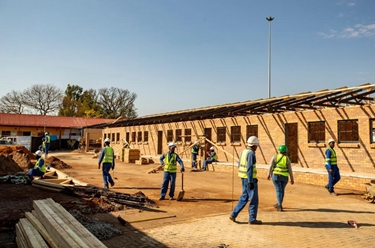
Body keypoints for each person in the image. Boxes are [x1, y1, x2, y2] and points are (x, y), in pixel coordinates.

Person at [229, 136, 262, 225]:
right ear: (254, 145)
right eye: (256, 146)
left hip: (243, 178)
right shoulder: (251, 153)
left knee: (244, 197)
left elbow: (239, 164)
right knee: (253, 199)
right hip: (249, 179)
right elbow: (250, 168)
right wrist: (251, 181)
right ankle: (252, 219)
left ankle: (233, 214)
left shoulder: (243, 152)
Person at [267, 145, 294, 212]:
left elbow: (270, 166)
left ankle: (279, 205)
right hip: (284, 177)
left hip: (276, 176)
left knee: (278, 190)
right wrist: (292, 178)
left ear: (279, 151)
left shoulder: (275, 157)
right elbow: (290, 170)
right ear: (285, 152)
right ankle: (279, 203)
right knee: (282, 190)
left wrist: (268, 174)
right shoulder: (287, 159)